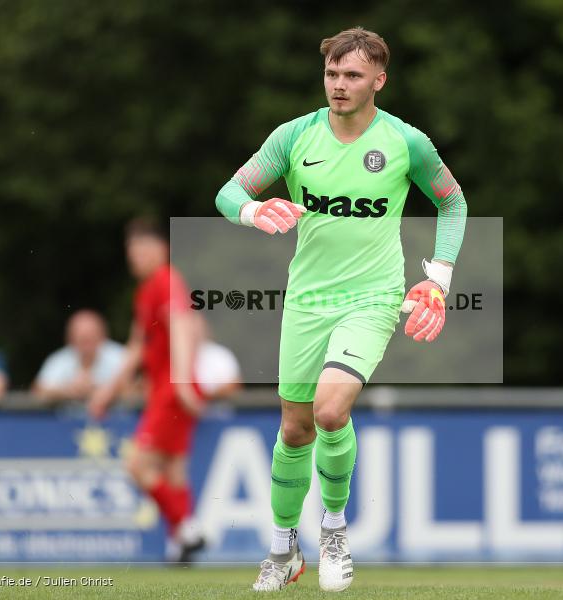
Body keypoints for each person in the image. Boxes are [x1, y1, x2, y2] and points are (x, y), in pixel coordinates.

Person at [215, 27, 467, 592]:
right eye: (332, 73)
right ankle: (283, 550)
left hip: (373, 297)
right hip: (306, 299)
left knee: (330, 412)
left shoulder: (406, 142)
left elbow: (453, 201)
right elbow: (229, 192)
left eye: (352, 75)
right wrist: (253, 212)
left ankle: (334, 530)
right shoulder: (294, 136)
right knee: (295, 428)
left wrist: (439, 279)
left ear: (379, 80)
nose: (339, 85)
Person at [88, 217, 241, 564]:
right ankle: (181, 545)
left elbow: (182, 328)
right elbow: (137, 347)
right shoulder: (148, 290)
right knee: (173, 470)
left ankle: (188, 529)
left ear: (162, 248)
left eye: (143, 248)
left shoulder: (166, 280)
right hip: (168, 389)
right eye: (132, 250)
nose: (136, 256)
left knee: (136, 465)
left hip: (172, 391)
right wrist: (108, 391)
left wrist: (184, 381)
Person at [32, 309, 126, 403]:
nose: (87, 345)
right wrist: (67, 391)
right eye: (82, 339)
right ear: (71, 339)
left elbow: (136, 388)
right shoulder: (60, 359)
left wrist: (104, 390)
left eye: (91, 337)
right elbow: (38, 390)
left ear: (103, 336)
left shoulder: (120, 356)